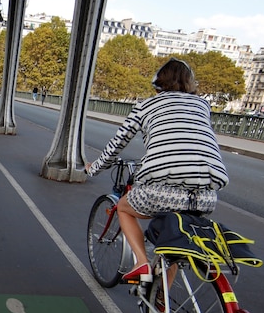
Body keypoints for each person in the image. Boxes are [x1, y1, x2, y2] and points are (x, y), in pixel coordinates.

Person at [86, 58, 228, 283]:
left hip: (162, 192)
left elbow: (116, 146)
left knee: (123, 208)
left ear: (158, 82)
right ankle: (163, 298)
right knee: (174, 241)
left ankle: (141, 263)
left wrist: (93, 168)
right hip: (206, 196)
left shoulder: (146, 106)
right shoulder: (202, 105)